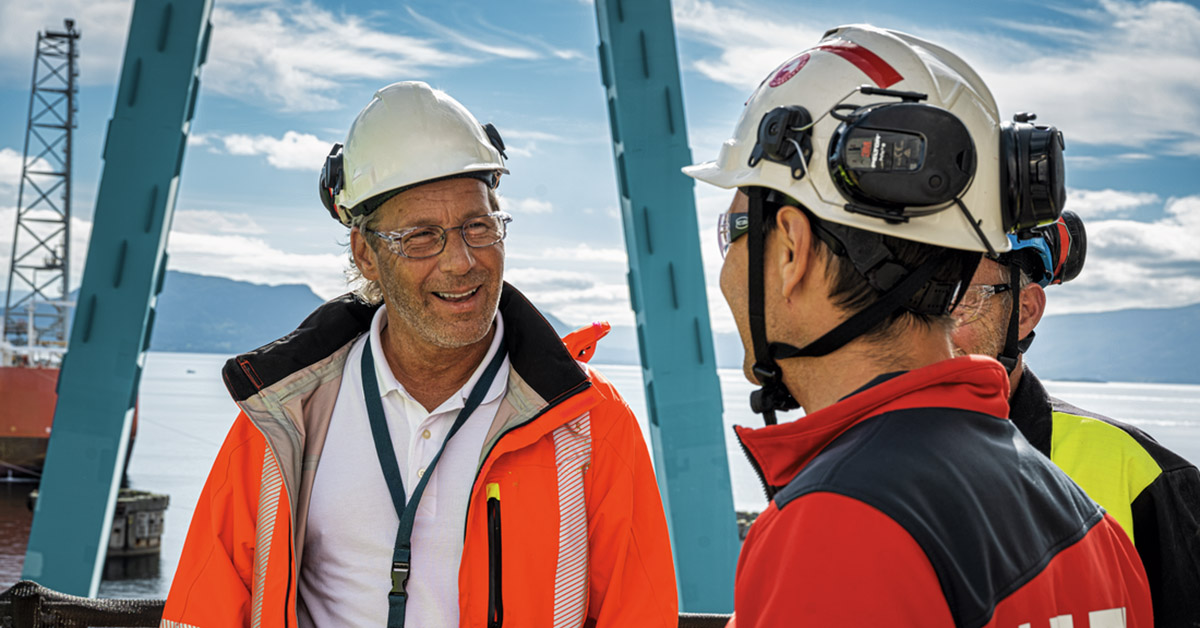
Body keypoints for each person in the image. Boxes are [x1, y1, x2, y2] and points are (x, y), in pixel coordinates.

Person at [160, 81, 678, 628]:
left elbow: (638, 613)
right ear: (365, 253)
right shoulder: (285, 419)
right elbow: (204, 610)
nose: (461, 262)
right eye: (421, 237)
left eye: (478, 227)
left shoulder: (591, 427)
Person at [683, 24, 1152, 626]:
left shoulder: (839, 526)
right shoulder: (1088, 523)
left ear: (791, 250)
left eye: (736, 232)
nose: (726, 268)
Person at [952, 213, 1200, 626]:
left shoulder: (1144, 477)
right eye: (905, 301)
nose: (920, 328)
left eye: (959, 301)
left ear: (1025, 312)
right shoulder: (839, 464)